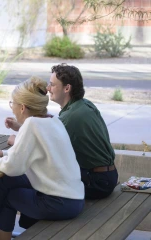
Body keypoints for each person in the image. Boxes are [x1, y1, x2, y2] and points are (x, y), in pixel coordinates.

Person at [0, 77, 85, 240]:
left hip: (58, 203)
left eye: (13, 104)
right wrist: (3, 153)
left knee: (8, 195)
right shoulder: (52, 120)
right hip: (74, 198)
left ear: (22, 107)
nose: (12, 108)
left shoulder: (31, 125)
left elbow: (12, 167)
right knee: (5, 182)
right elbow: (35, 151)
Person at [6, 64, 118, 200]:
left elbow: (42, 146)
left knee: (30, 179)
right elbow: (47, 133)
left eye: (52, 85)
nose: (47, 89)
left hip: (96, 182)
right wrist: (20, 126)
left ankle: (31, 218)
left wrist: (15, 140)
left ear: (67, 88)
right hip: (105, 176)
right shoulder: (84, 105)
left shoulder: (70, 117)